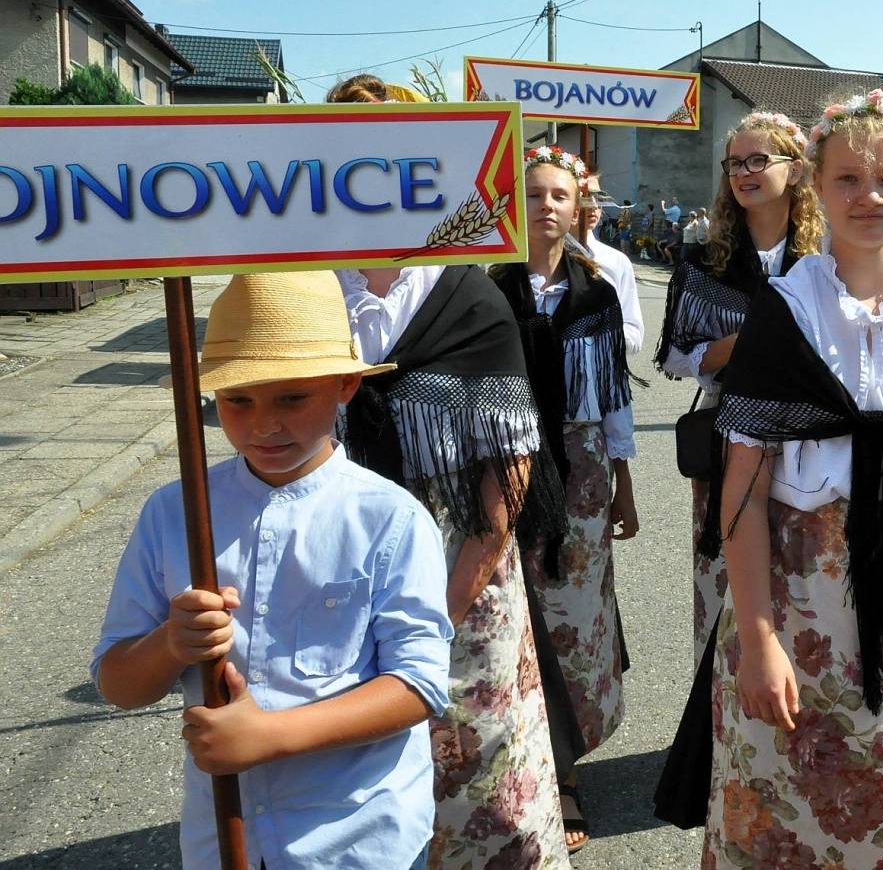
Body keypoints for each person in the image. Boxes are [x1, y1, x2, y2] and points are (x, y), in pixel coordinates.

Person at [91, 271, 453, 870]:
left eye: (291, 398)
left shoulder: (390, 518)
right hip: (221, 838)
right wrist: (170, 644)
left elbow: (418, 684)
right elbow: (118, 682)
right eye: (238, 400)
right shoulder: (174, 513)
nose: (264, 424)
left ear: (344, 385)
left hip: (356, 838)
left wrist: (270, 737)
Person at [326, 74, 573, 867]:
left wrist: (431, 621)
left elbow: (504, 491)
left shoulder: (471, 297)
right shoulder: (304, 291)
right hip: (336, 586)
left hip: (461, 593)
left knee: (484, 793)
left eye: (395, 156)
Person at [703, 91, 883, 868]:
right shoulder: (789, 307)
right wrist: (757, 640)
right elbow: (741, 496)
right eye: (846, 178)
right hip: (796, 595)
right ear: (815, 183)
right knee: (781, 805)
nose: (869, 196)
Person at [491, 145, 640, 854]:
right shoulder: (488, 291)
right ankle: (522, 755)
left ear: (578, 207)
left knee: (577, 617)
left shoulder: (598, 293)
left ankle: (568, 766)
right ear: (514, 208)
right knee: (512, 611)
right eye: (534, 194)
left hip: (580, 470)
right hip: (507, 465)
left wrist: (625, 486)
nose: (546, 204)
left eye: (559, 194)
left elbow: (613, 401)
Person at [653, 110, 824, 661]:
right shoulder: (706, 262)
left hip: (816, 436)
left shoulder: (828, 259)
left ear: (795, 171)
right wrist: (754, 334)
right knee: (727, 576)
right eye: (735, 164)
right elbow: (679, 357)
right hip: (731, 432)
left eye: (758, 160)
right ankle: (720, 717)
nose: (744, 172)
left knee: (807, 574)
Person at [583, 204, 646, 355]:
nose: (592, 204)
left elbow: (634, 333)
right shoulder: (527, 262)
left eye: (598, 197)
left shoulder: (616, 261)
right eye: (582, 194)